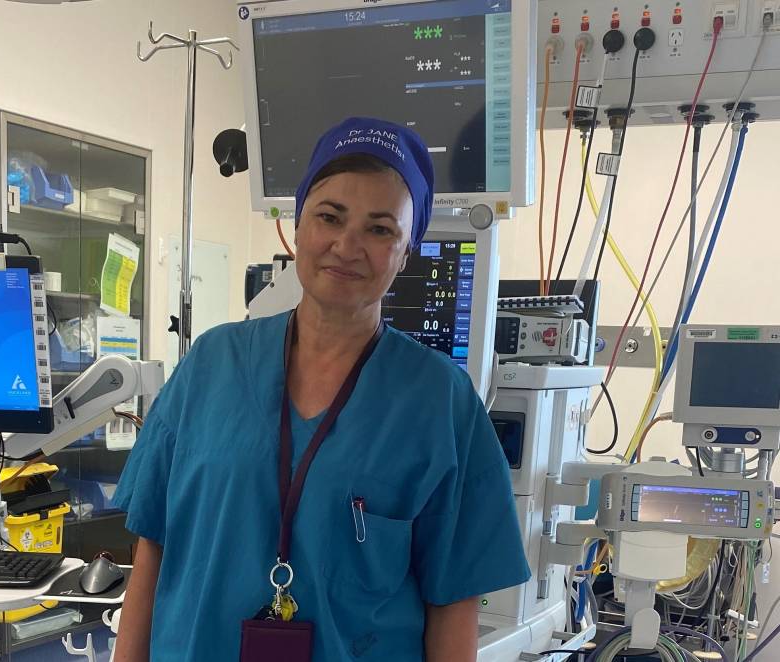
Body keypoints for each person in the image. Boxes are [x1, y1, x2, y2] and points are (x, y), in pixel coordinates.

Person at [113, 117, 530, 661]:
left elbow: (452, 608)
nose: (346, 244)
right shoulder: (211, 365)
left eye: (380, 229)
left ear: (406, 252)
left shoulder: (441, 404)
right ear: (297, 225)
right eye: (329, 216)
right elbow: (152, 552)